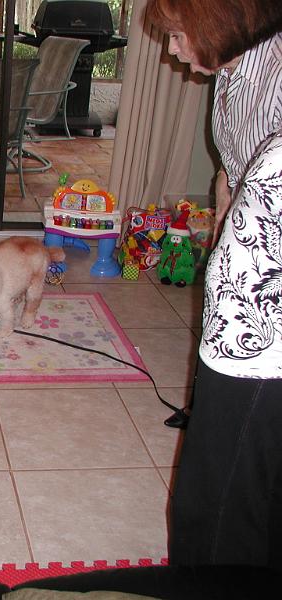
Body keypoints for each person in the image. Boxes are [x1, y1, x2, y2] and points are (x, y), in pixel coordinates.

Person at [145, 0, 282, 570]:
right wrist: (226, 194)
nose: (172, 49)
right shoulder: (230, 69)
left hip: (264, 324)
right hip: (241, 293)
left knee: (221, 497)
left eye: (178, 35)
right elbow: (236, 157)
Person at [147, 0, 282, 242]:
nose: (171, 49)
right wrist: (225, 175)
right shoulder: (226, 66)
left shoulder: (277, 76)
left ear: (214, 27)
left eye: (176, 36)